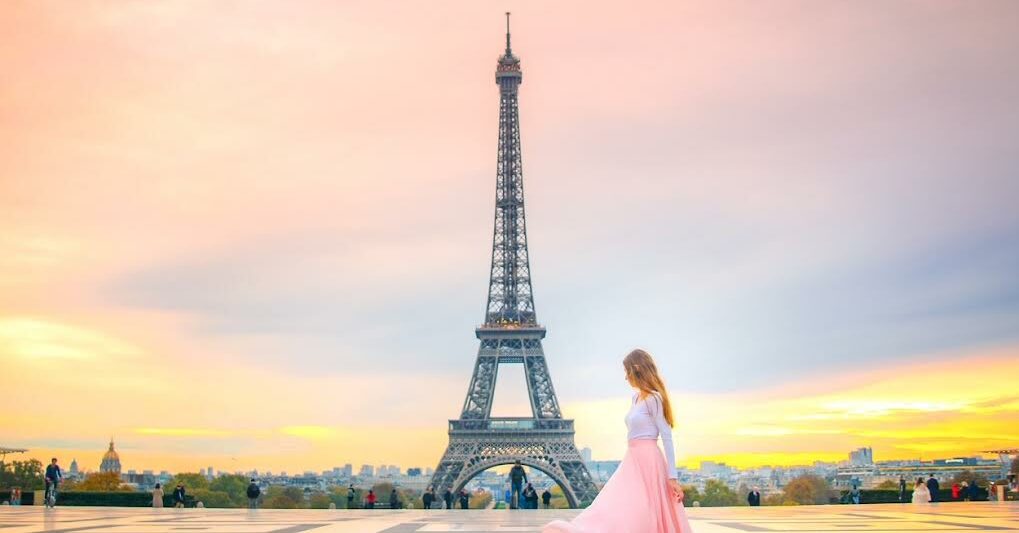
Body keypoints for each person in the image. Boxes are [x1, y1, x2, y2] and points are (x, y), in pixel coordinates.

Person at [544, 348, 693, 533]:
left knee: (642, 507)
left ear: (636, 369)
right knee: (618, 501)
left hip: (648, 460)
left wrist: (672, 477)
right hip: (632, 458)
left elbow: (667, 437)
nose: (625, 377)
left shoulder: (654, 398)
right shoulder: (636, 397)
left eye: (626, 371)